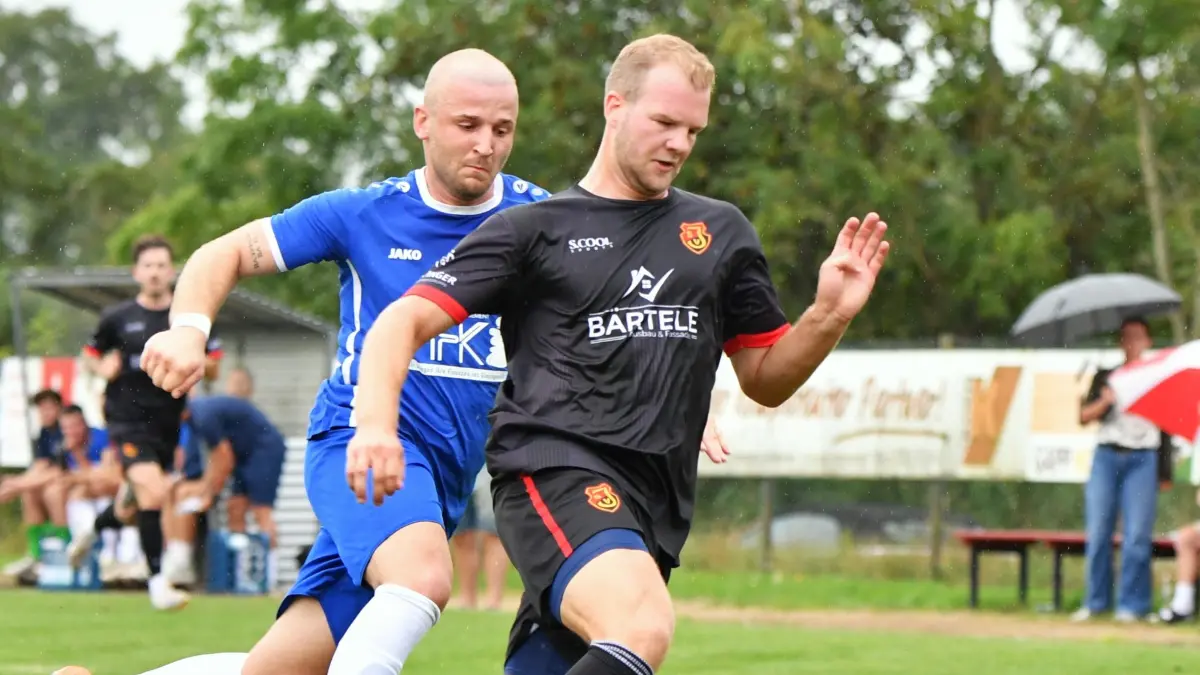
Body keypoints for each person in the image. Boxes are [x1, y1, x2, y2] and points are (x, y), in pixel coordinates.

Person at [346, 33, 888, 675]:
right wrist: (375, 426)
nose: (679, 144)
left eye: (693, 130)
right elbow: (401, 320)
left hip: (655, 504)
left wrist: (828, 315)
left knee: (591, 651)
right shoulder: (534, 230)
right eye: (664, 123)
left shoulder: (721, 234)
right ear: (615, 106)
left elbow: (766, 380)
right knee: (641, 624)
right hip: (553, 473)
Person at [133, 48, 551, 675]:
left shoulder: (541, 220)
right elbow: (224, 253)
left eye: (502, 129)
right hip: (357, 447)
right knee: (423, 578)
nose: (486, 145)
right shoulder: (362, 214)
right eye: (468, 125)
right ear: (423, 121)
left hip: (443, 480)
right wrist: (189, 330)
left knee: (275, 670)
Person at [71, 234, 224, 610]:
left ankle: (91, 531)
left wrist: (191, 360)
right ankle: (158, 584)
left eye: (161, 265)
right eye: (148, 265)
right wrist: (100, 367)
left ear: (172, 271)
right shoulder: (117, 317)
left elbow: (214, 366)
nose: (155, 272)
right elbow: (89, 353)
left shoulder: (189, 319)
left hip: (167, 424)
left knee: (133, 506)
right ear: (136, 272)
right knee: (154, 493)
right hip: (125, 420)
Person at [1072, 317, 1166, 623]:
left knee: (1137, 534)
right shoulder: (1107, 376)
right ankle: (1096, 602)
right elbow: (1083, 416)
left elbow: (1167, 424)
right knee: (1099, 531)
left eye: (1138, 337)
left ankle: (1133, 605)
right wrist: (1104, 401)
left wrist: (1164, 471)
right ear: (1120, 342)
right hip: (1107, 457)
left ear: (1148, 342)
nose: (1132, 343)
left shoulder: (1156, 378)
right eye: (1126, 336)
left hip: (1143, 459)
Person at [159, 394, 287, 587]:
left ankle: (271, 577)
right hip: (242, 453)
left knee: (262, 512)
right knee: (235, 509)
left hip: (264, 449)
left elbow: (224, 458)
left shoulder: (202, 416)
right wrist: (207, 488)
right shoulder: (194, 419)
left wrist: (208, 493)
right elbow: (218, 457)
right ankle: (241, 578)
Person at [0, 389, 68, 584]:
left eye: (49, 408)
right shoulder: (44, 434)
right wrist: (16, 483)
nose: (44, 413)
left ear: (59, 408)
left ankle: (64, 551)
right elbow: (40, 467)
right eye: (41, 409)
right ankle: (36, 555)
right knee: (29, 493)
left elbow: (58, 471)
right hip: (53, 480)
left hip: (70, 482)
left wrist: (15, 484)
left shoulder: (65, 430)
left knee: (52, 493)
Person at [450, 468, 510, 611]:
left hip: (491, 466)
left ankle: (493, 600)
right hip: (461, 466)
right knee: (462, 534)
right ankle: (467, 599)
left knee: (493, 533)